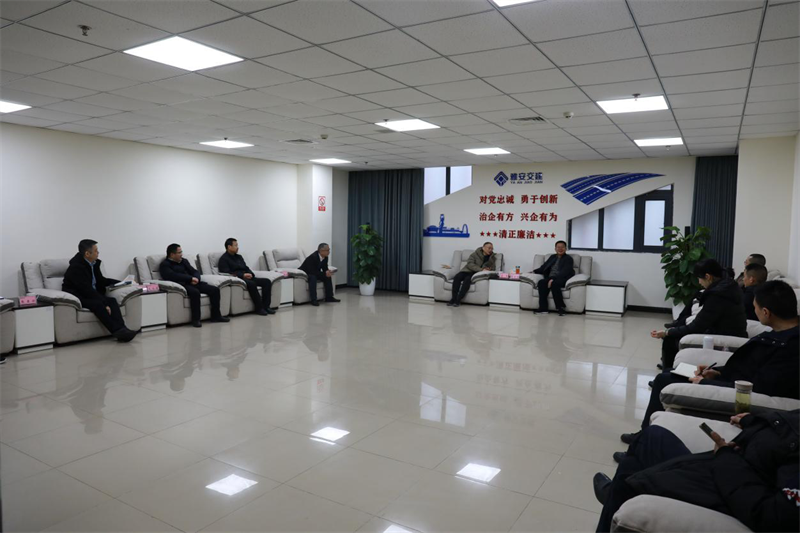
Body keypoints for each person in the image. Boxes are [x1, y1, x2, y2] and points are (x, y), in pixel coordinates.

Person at [620, 280, 800, 444]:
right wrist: (718, 371)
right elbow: (749, 367)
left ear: (766, 312)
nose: (753, 311)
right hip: (728, 378)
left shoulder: (790, 349)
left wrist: (705, 382)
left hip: (734, 389)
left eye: (755, 308)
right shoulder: (782, 334)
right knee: (670, 373)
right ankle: (644, 434)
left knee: (663, 380)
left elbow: (759, 386)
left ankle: (642, 439)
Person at [594, 410, 800, 533]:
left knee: (630, 479)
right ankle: (615, 493)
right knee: (651, 437)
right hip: (728, 465)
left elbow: (774, 517)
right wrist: (754, 422)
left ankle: (615, 494)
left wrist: (726, 457)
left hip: (727, 487)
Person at [650, 258, 746, 369]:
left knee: (670, 340)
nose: (699, 282)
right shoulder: (728, 285)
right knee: (679, 327)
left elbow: (696, 327)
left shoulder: (717, 296)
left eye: (699, 278)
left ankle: (669, 372)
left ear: (708, 277)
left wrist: (667, 332)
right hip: (727, 330)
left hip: (724, 336)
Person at [62, 239, 137, 342]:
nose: (98, 253)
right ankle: (117, 331)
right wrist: (104, 303)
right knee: (98, 304)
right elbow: (86, 289)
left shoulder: (94, 264)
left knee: (112, 301)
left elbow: (101, 281)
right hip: (78, 296)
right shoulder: (76, 267)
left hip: (91, 294)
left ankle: (122, 329)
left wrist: (123, 282)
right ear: (87, 254)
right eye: (96, 251)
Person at [159, 243, 230, 328]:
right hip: (182, 285)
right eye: (179, 252)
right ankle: (196, 320)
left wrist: (196, 279)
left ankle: (216, 316)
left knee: (214, 290)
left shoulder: (184, 261)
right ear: (172, 254)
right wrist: (190, 279)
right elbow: (172, 275)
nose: (181, 254)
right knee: (195, 292)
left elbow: (194, 271)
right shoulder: (165, 264)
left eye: (181, 252)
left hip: (194, 282)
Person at [218, 238, 275, 317]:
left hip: (247, 276)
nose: (237, 247)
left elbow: (246, 267)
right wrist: (242, 275)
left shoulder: (239, 257)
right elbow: (227, 273)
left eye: (237, 245)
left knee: (267, 281)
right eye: (235, 245)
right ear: (229, 247)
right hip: (238, 279)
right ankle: (259, 308)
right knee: (252, 284)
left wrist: (251, 274)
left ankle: (266, 307)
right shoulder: (223, 259)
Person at [447, 242, 496, 307]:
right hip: (467, 270)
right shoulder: (475, 254)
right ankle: (453, 298)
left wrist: (489, 269)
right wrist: (481, 269)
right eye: (489, 248)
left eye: (492, 249)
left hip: (475, 273)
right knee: (457, 277)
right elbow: (470, 264)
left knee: (467, 280)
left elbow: (493, 268)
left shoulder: (492, 258)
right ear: (483, 248)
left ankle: (458, 300)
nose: (490, 250)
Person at [533, 240, 574, 316]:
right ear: (555, 249)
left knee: (554, 284)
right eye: (558, 247)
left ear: (566, 249)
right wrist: (533, 271)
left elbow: (565, 272)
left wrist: (553, 279)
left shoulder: (568, 259)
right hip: (550, 277)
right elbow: (544, 267)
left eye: (562, 247)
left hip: (562, 278)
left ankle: (561, 308)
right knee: (541, 282)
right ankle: (543, 308)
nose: (560, 249)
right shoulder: (552, 257)